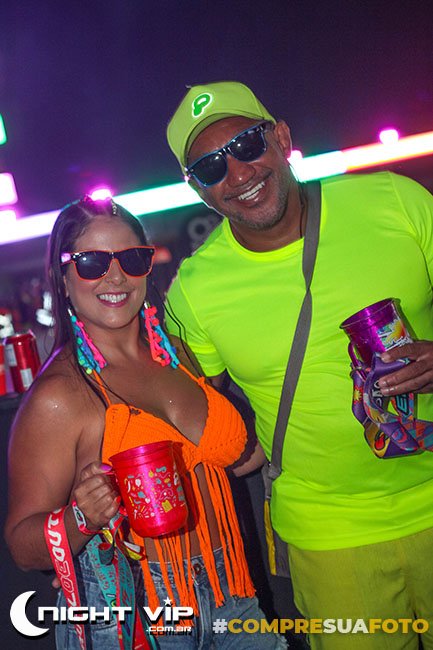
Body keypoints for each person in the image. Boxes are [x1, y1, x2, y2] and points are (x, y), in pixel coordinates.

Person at [164, 80, 433, 650]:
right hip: (328, 535)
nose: (238, 172)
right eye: (211, 167)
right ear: (197, 189)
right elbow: (197, 403)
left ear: (281, 138)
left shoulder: (394, 200)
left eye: (246, 144)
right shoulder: (194, 291)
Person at [4, 195, 286, 650]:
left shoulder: (177, 354)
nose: (116, 276)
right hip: (136, 613)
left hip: (231, 594)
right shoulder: (60, 395)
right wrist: (81, 517)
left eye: (132, 259)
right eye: (92, 262)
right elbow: (22, 545)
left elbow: (235, 459)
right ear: (63, 275)